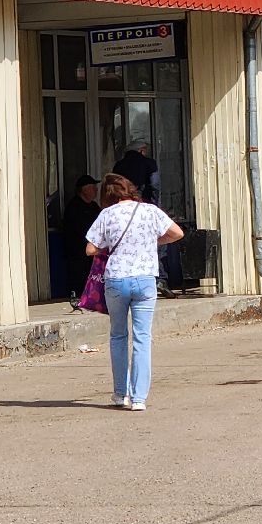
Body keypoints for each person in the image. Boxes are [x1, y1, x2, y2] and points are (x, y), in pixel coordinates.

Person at [84, 173, 183, 411]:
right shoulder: (150, 211)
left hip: (116, 280)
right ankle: (139, 398)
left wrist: (109, 243)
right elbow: (177, 233)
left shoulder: (106, 214)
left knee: (118, 336)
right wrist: (152, 242)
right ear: (130, 190)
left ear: (107, 195)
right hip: (145, 280)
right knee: (142, 337)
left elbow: (90, 249)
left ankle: (121, 394)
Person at [60, 174, 102, 299]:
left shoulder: (94, 206)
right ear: (84, 190)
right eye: (93, 187)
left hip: (92, 252)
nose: (96, 190)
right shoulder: (74, 207)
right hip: (77, 253)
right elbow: (79, 231)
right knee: (78, 280)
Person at [111, 139, 159, 203]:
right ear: (141, 150)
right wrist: (154, 202)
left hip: (123, 201)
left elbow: (113, 185)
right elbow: (155, 184)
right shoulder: (149, 163)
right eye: (145, 151)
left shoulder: (118, 165)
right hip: (144, 200)